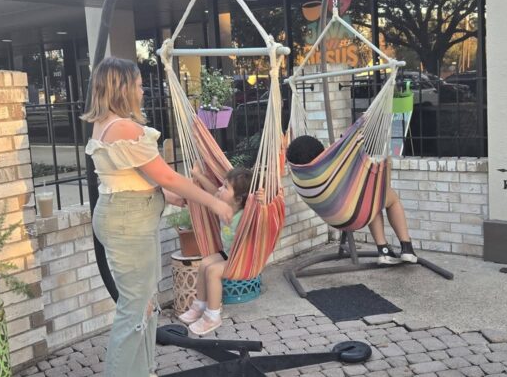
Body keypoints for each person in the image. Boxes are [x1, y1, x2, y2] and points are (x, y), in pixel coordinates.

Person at [83, 57, 234, 377]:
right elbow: (167, 175)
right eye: (136, 83)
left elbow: (131, 178)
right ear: (121, 87)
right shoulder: (125, 128)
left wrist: (166, 196)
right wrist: (213, 202)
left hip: (128, 216)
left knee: (146, 305)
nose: (142, 88)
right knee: (133, 310)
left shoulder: (109, 125)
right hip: (128, 224)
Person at [286, 134, 418, 264]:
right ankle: (407, 247)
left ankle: (384, 250)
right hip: (353, 215)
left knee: (371, 196)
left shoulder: (299, 178)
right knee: (392, 199)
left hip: (334, 220)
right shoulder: (328, 170)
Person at [178, 165, 259, 335]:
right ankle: (200, 305)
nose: (220, 189)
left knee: (213, 271)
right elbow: (213, 191)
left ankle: (213, 315)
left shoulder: (247, 215)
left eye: (226, 187)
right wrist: (198, 175)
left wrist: (263, 202)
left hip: (243, 259)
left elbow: (263, 215)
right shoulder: (223, 205)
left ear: (238, 199)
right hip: (229, 253)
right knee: (205, 263)